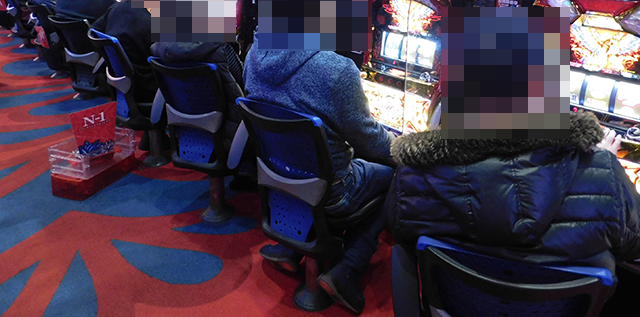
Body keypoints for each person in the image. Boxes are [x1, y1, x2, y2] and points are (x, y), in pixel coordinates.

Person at [243, 30, 395, 314]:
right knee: (394, 176)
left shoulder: (255, 54)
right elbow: (370, 140)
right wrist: (403, 145)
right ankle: (347, 268)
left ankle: (294, 246)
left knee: (315, 160)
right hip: (332, 192)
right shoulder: (337, 70)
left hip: (278, 182)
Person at [386, 111, 640, 279]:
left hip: (456, 306)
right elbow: (633, 248)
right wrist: (600, 160)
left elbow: (398, 229)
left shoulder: (413, 172)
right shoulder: (605, 173)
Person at [149, 41, 245, 150]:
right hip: (224, 127)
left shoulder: (158, 48)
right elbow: (242, 79)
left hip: (181, 123)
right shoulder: (221, 48)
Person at [92, 0, 157, 103]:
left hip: (122, 78)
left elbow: (94, 31)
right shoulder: (149, 23)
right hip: (146, 85)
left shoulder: (117, 7)